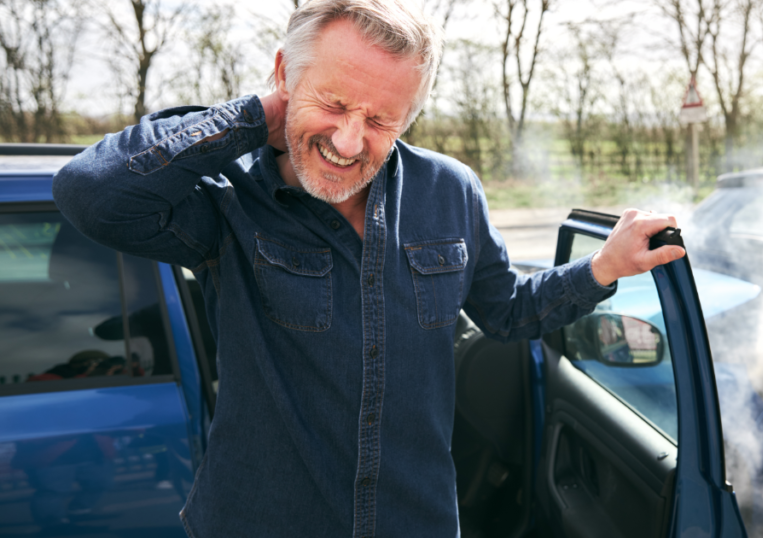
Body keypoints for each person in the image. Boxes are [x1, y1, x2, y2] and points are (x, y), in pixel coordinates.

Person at [51, 1, 685, 535]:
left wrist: (601, 267)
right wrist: (257, 117)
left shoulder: (450, 190)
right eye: (332, 102)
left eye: (381, 118)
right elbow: (92, 195)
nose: (350, 142)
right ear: (283, 73)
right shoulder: (228, 198)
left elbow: (506, 309)